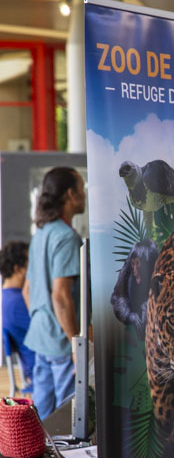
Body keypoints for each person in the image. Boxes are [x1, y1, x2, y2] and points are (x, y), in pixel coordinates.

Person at [24, 167, 86, 418]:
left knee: (43, 418)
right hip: (61, 343)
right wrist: (76, 344)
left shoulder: (40, 235)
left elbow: (28, 291)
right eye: (82, 190)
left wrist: (45, 323)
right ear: (70, 194)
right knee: (65, 419)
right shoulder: (66, 237)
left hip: (40, 338)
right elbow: (60, 296)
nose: (84, 195)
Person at [1, 241, 36, 392]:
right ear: (18, 269)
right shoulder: (18, 302)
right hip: (42, 371)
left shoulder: (6, 297)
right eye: (31, 262)